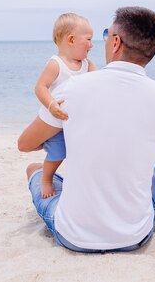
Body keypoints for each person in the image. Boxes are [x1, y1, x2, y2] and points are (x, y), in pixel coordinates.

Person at [18, 6, 155, 253]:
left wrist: (57, 131)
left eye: (105, 35)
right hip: (136, 235)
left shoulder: (71, 88)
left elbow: (25, 144)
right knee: (154, 164)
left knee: (34, 169)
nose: (97, 44)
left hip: (74, 235)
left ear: (116, 43)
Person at [34, 13, 96, 198]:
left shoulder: (87, 64)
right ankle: (46, 179)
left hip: (77, 122)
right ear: (71, 39)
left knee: (81, 154)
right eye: (88, 39)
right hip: (57, 121)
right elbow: (40, 87)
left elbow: (99, 83)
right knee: (57, 153)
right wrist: (51, 104)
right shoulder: (56, 64)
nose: (92, 45)